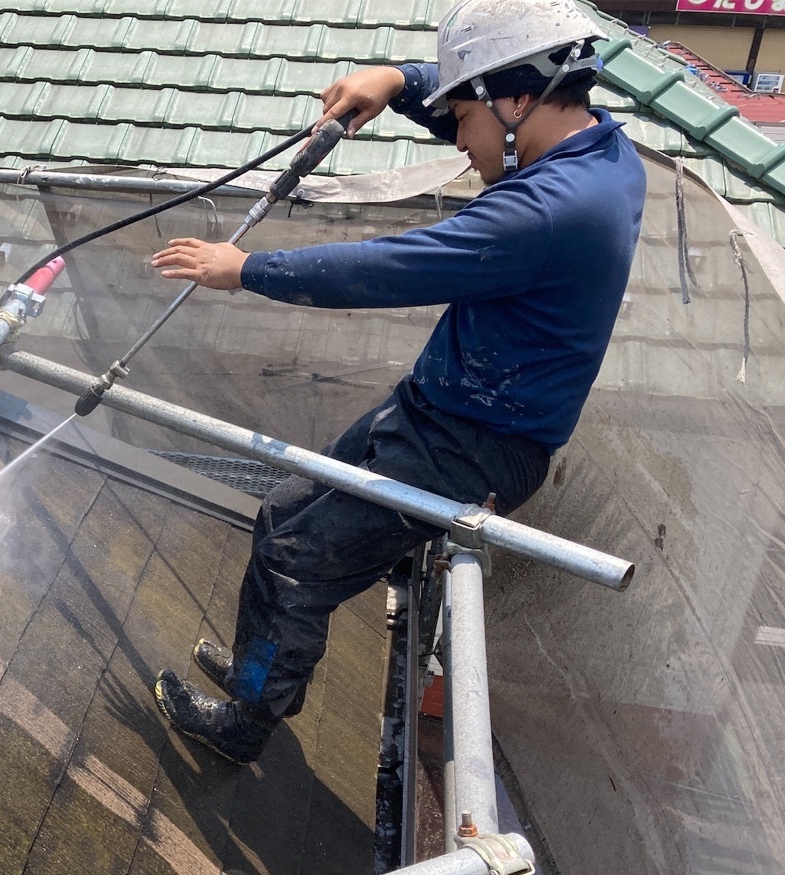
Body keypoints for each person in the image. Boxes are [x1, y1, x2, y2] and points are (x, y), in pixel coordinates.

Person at [149, 0, 645, 764]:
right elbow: (486, 121)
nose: (460, 142)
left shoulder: (549, 212)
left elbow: (390, 268)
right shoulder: (597, 148)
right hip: (441, 411)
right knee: (281, 517)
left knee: (296, 559)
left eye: (462, 120)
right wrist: (396, 80)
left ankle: (246, 724)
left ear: (518, 100)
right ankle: (264, 675)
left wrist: (247, 268)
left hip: (473, 448)